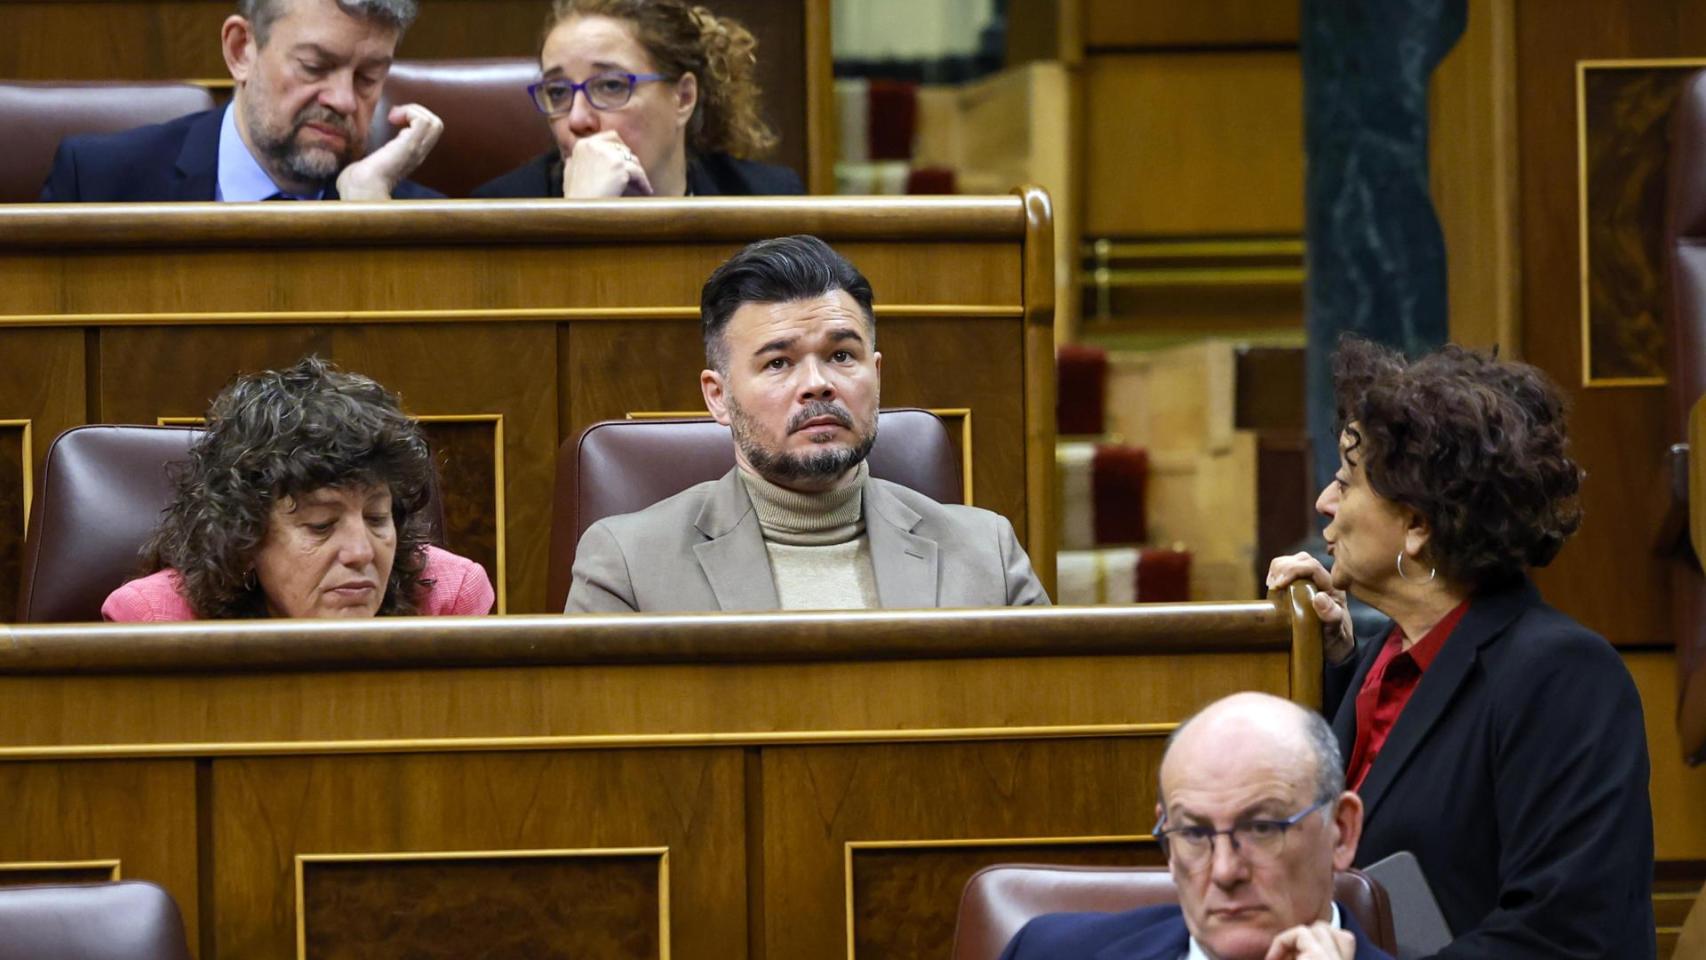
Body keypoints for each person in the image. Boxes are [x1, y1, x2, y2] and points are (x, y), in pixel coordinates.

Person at [1266, 338, 1654, 958]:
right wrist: (1331, 659)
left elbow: (1571, 934)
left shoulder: (1564, 677)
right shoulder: (1375, 661)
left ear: (1417, 526)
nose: (1325, 504)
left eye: (1346, 482)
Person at [565, 234, 1047, 612]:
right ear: (719, 397)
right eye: (778, 363)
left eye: (841, 355)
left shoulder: (988, 554)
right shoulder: (628, 564)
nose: (817, 384)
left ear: (875, 375)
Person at [1001, 693, 1393, 960]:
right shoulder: (1048, 952)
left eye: (1261, 828)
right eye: (1193, 834)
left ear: (1341, 831)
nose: (1225, 871)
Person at [103, 357, 493, 620]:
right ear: (244, 536)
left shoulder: (447, 600)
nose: (360, 553)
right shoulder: (157, 621)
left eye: (377, 518)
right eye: (321, 525)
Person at [41, 0, 443, 202]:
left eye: (367, 77)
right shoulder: (98, 183)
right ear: (241, 51)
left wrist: (370, 226)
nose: (343, 100)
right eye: (314, 66)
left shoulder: (409, 216)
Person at [472, 0, 803, 199]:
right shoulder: (499, 209)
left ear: (683, 98)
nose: (576, 119)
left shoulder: (764, 199)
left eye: (611, 86)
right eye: (558, 92)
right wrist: (579, 220)